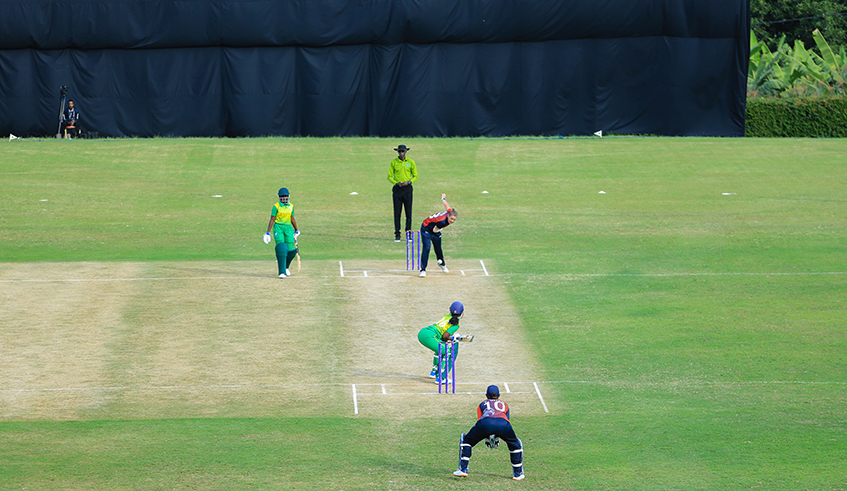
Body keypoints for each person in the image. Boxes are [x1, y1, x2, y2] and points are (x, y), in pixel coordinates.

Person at [453, 385, 525, 480]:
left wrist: (487, 438)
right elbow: (506, 420)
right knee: (516, 444)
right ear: (499, 396)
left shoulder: (482, 404)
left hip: (485, 423)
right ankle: (517, 474)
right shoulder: (505, 404)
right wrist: (497, 437)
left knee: (466, 441)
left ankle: (463, 470)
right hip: (503, 424)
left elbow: (481, 421)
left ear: (486, 395)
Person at [416, 301, 464, 381]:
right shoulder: (456, 324)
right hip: (430, 336)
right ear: (462, 313)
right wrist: (453, 338)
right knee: (447, 351)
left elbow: (442, 335)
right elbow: (445, 336)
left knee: (440, 349)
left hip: (423, 332)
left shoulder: (447, 315)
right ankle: (441, 378)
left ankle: (434, 372)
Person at [418, 193, 457, 278]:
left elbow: (447, 206)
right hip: (426, 229)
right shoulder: (442, 222)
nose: (452, 221)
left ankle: (442, 264)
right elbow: (435, 230)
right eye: (451, 219)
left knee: (438, 249)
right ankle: (423, 270)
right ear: (448, 217)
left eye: (454, 219)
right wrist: (441, 229)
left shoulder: (450, 212)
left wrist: (443, 198)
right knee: (427, 248)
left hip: (435, 229)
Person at [264, 188, 300, 278]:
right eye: (282, 196)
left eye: (286, 196)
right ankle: (282, 270)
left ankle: (286, 267)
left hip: (288, 227)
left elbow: (292, 218)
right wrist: (267, 232)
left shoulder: (291, 206)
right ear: (279, 197)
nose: (284, 198)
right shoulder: (276, 206)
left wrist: (296, 230)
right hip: (278, 227)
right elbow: (272, 219)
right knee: (281, 246)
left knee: (290, 248)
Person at [387, 144, 418, 242]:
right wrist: (396, 183)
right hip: (397, 189)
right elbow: (389, 176)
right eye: (399, 151)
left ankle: (408, 233)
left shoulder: (410, 162)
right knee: (397, 213)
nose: (401, 153)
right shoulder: (394, 162)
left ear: (406, 152)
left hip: (407, 189)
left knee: (408, 213)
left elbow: (416, 176)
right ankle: (397, 234)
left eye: (403, 151)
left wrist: (408, 182)